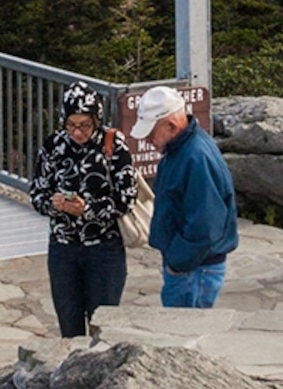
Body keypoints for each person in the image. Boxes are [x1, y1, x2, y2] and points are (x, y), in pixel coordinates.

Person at [30, 81, 138, 337]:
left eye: (84, 125)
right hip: (63, 248)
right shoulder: (52, 146)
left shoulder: (114, 145)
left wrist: (87, 209)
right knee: (69, 326)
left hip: (104, 249)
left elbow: (126, 198)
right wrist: (55, 205)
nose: (77, 132)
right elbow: (36, 193)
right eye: (71, 125)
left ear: (96, 119)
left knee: (104, 326)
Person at [139, 84, 237, 308]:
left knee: (182, 332)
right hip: (191, 264)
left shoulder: (195, 157)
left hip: (194, 268)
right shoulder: (181, 150)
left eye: (151, 133)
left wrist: (178, 262)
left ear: (171, 126)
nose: (147, 140)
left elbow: (205, 224)